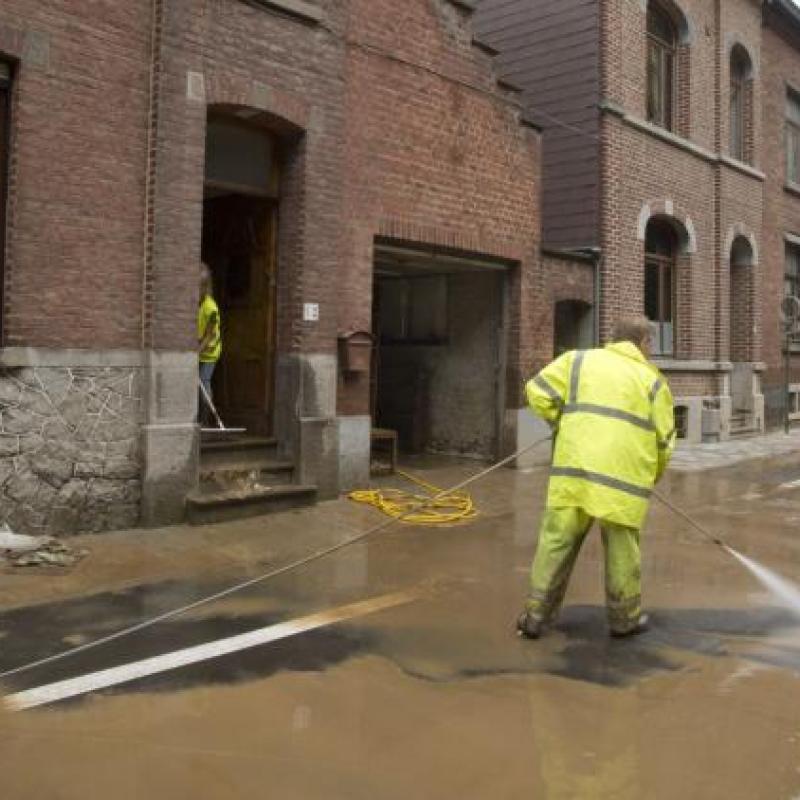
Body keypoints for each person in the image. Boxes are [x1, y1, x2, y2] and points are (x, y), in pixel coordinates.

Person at [517, 315, 675, 639]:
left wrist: (560, 421)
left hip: (573, 473)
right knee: (622, 553)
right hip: (622, 485)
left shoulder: (577, 361)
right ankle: (624, 620)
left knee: (555, 544)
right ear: (644, 342)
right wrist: (652, 475)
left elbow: (536, 391)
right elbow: (664, 441)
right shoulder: (652, 382)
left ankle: (535, 617)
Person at [198, 264, 222, 424]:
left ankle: (205, 418)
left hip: (210, 351)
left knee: (204, 381)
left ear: (204, 287)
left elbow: (209, 335)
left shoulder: (211, 308)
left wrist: (197, 352)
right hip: (198, 348)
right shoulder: (195, 304)